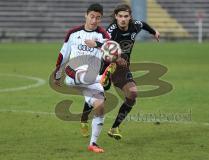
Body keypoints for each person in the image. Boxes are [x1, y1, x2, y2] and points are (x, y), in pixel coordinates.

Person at [80, 4, 160, 140]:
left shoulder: (136, 25)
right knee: (98, 97)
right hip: (105, 66)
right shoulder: (111, 31)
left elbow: (144, 24)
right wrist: (115, 56)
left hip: (122, 67)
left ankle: (114, 127)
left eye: (126, 16)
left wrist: (154, 32)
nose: (123, 19)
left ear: (130, 17)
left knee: (132, 93)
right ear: (116, 17)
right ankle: (83, 119)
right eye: (120, 16)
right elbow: (104, 46)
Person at [53, 3, 115, 153]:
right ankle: (102, 77)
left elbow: (113, 52)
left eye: (98, 18)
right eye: (92, 16)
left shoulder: (103, 36)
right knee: (85, 73)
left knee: (100, 107)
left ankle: (93, 143)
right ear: (86, 15)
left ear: (101, 19)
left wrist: (97, 44)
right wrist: (57, 73)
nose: (94, 20)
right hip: (72, 72)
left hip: (90, 76)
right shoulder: (73, 33)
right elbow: (63, 55)